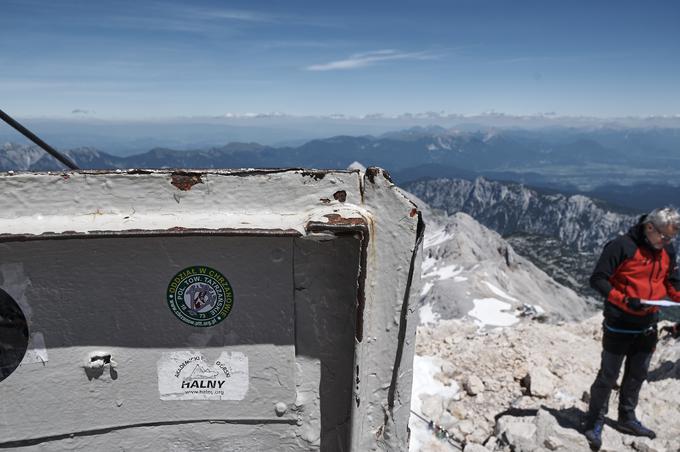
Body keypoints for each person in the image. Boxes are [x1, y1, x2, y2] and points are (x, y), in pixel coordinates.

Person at [583, 207, 680, 450]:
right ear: (650, 228)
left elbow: (667, 281)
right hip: (619, 323)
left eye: (672, 238)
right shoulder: (621, 246)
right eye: (664, 236)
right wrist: (624, 300)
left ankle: (627, 417)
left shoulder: (667, 249)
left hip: (648, 323)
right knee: (608, 375)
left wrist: (677, 295)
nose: (667, 242)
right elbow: (598, 279)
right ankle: (594, 420)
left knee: (637, 374)